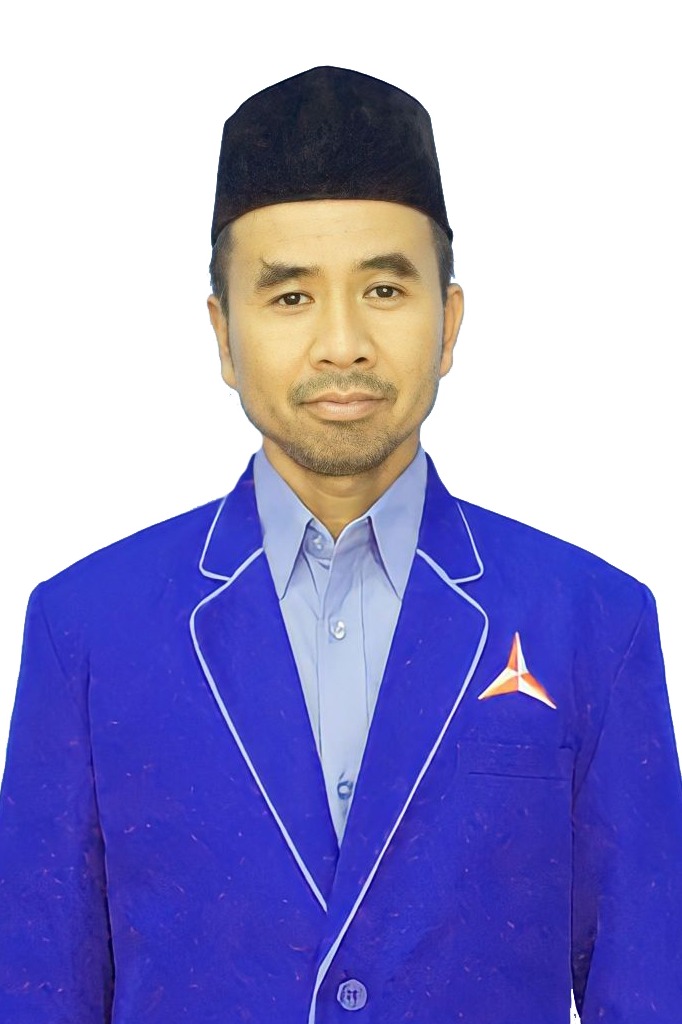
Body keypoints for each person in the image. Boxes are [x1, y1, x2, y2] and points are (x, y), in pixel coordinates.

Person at [0, 65, 680, 1024]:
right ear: (223, 335)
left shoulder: (593, 621)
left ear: (448, 322)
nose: (343, 343)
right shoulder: (86, 629)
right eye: (289, 298)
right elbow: (37, 987)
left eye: (385, 288)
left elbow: (650, 987)